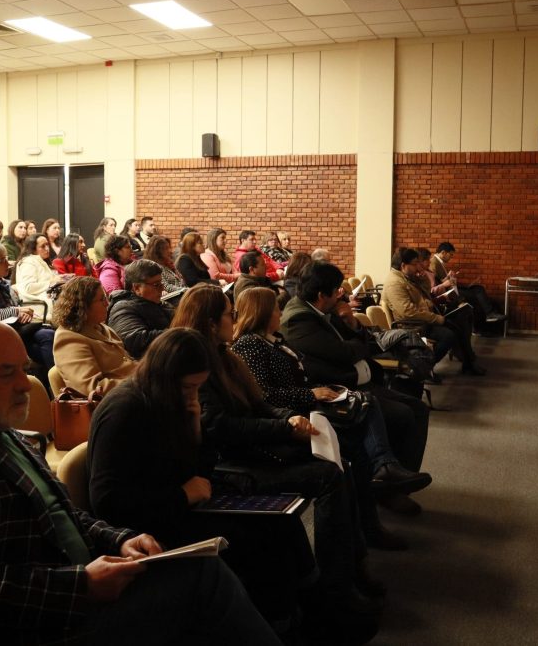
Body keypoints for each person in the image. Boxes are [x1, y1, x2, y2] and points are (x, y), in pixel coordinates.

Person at [0, 317, 277, 645]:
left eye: (23, 368)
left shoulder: (1, 432)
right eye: (6, 373)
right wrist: (80, 584)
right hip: (20, 629)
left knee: (202, 569)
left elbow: (66, 515)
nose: (27, 384)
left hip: (66, 595)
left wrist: (120, 539)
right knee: (203, 581)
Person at [168, 285, 386, 625]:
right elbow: (219, 428)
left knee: (339, 460)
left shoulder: (224, 355)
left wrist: (287, 419)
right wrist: (284, 428)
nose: (234, 318)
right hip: (229, 465)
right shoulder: (196, 363)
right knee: (330, 476)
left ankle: (352, 568)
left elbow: (259, 404)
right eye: (228, 314)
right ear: (211, 323)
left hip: (250, 449)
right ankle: (336, 588)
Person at [233, 287, 432, 515]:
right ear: (263, 313)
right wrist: (312, 394)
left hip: (305, 400)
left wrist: (318, 389)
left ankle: (386, 467)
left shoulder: (274, 339)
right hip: (292, 414)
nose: (280, 314)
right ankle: (383, 473)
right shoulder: (250, 345)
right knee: (362, 427)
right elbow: (265, 396)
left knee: (366, 401)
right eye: (276, 309)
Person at [280, 262, 431, 506]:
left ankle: (395, 484)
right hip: (338, 389)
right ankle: (387, 479)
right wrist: (357, 346)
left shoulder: (324, 311)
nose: (342, 294)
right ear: (322, 295)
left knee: (418, 410)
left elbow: (365, 341)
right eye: (337, 289)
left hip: (360, 381)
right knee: (402, 414)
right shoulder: (298, 319)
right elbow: (346, 353)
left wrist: (351, 321)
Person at [382, 248, 484, 376]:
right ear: (403, 265)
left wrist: (423, 278)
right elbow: (408, 312)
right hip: (411, 325)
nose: (418, 267)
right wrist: (437, 318)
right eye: (415, 264)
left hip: (423, 320)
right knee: (450, 334)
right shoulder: (395, 283)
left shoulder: (406, 277)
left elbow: (427, 294)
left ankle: (468, 362)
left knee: (462, 318)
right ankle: (422, 366)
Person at [0, 241, 54, 374]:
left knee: (50, 335)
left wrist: (23, 314)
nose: (8, 264)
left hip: (17, 330)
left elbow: (15, 308)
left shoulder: (3, 283)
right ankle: (56, 383)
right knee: (47, 340)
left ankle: (54, 383)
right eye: (2, 260)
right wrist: (16, 311)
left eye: (7, 259)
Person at [52, 276, 137, 394]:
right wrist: (139, 384)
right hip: (116, 403)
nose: (107, 303)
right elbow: (91, 387)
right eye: (102, 299)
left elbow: (126, 365)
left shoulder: (101, 328)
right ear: (83, 305)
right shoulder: (69, 338)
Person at [107, 259, 175, 359]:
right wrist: (177, 332)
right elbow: (135, 341)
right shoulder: (122, 308)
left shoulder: (158, 303)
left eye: (161, 283)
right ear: (137, 288)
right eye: (156, 285)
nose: (162, 289)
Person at [428, 243, 504, 331]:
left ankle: (488, 316)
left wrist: (449, 277)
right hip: (447, 292)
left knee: (478, 289)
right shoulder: (434, 263)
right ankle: (486, 318)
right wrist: (448, 279)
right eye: (451, 255)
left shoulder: (438, 262)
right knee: (476, 295)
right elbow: (436, 283)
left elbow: (441, 280)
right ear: (443, 252)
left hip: (450, 289)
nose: (451, 258)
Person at [12, 233, 68, 317]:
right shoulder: (28, 262)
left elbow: (46, 280)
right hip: (38, 307)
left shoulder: (41, 261)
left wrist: (58, 279)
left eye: (47, 245)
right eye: (43, 246)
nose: (47, 248)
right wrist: (51, 282)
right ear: (33, 249)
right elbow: (28, 287)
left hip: (49, 300)